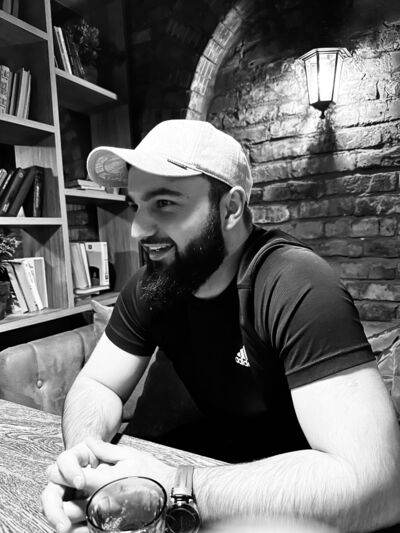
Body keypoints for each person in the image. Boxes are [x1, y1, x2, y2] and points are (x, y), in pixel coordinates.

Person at [42, 119, 400, 533]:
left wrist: (176, 486)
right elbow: (97, 384)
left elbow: (379, 487)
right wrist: (84, 463)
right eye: (136, 205)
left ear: (231, 208)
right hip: (181, 482)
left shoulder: (295, 282)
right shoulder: (154, 282)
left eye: (164, 203)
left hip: (280, 509)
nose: (138, 229)